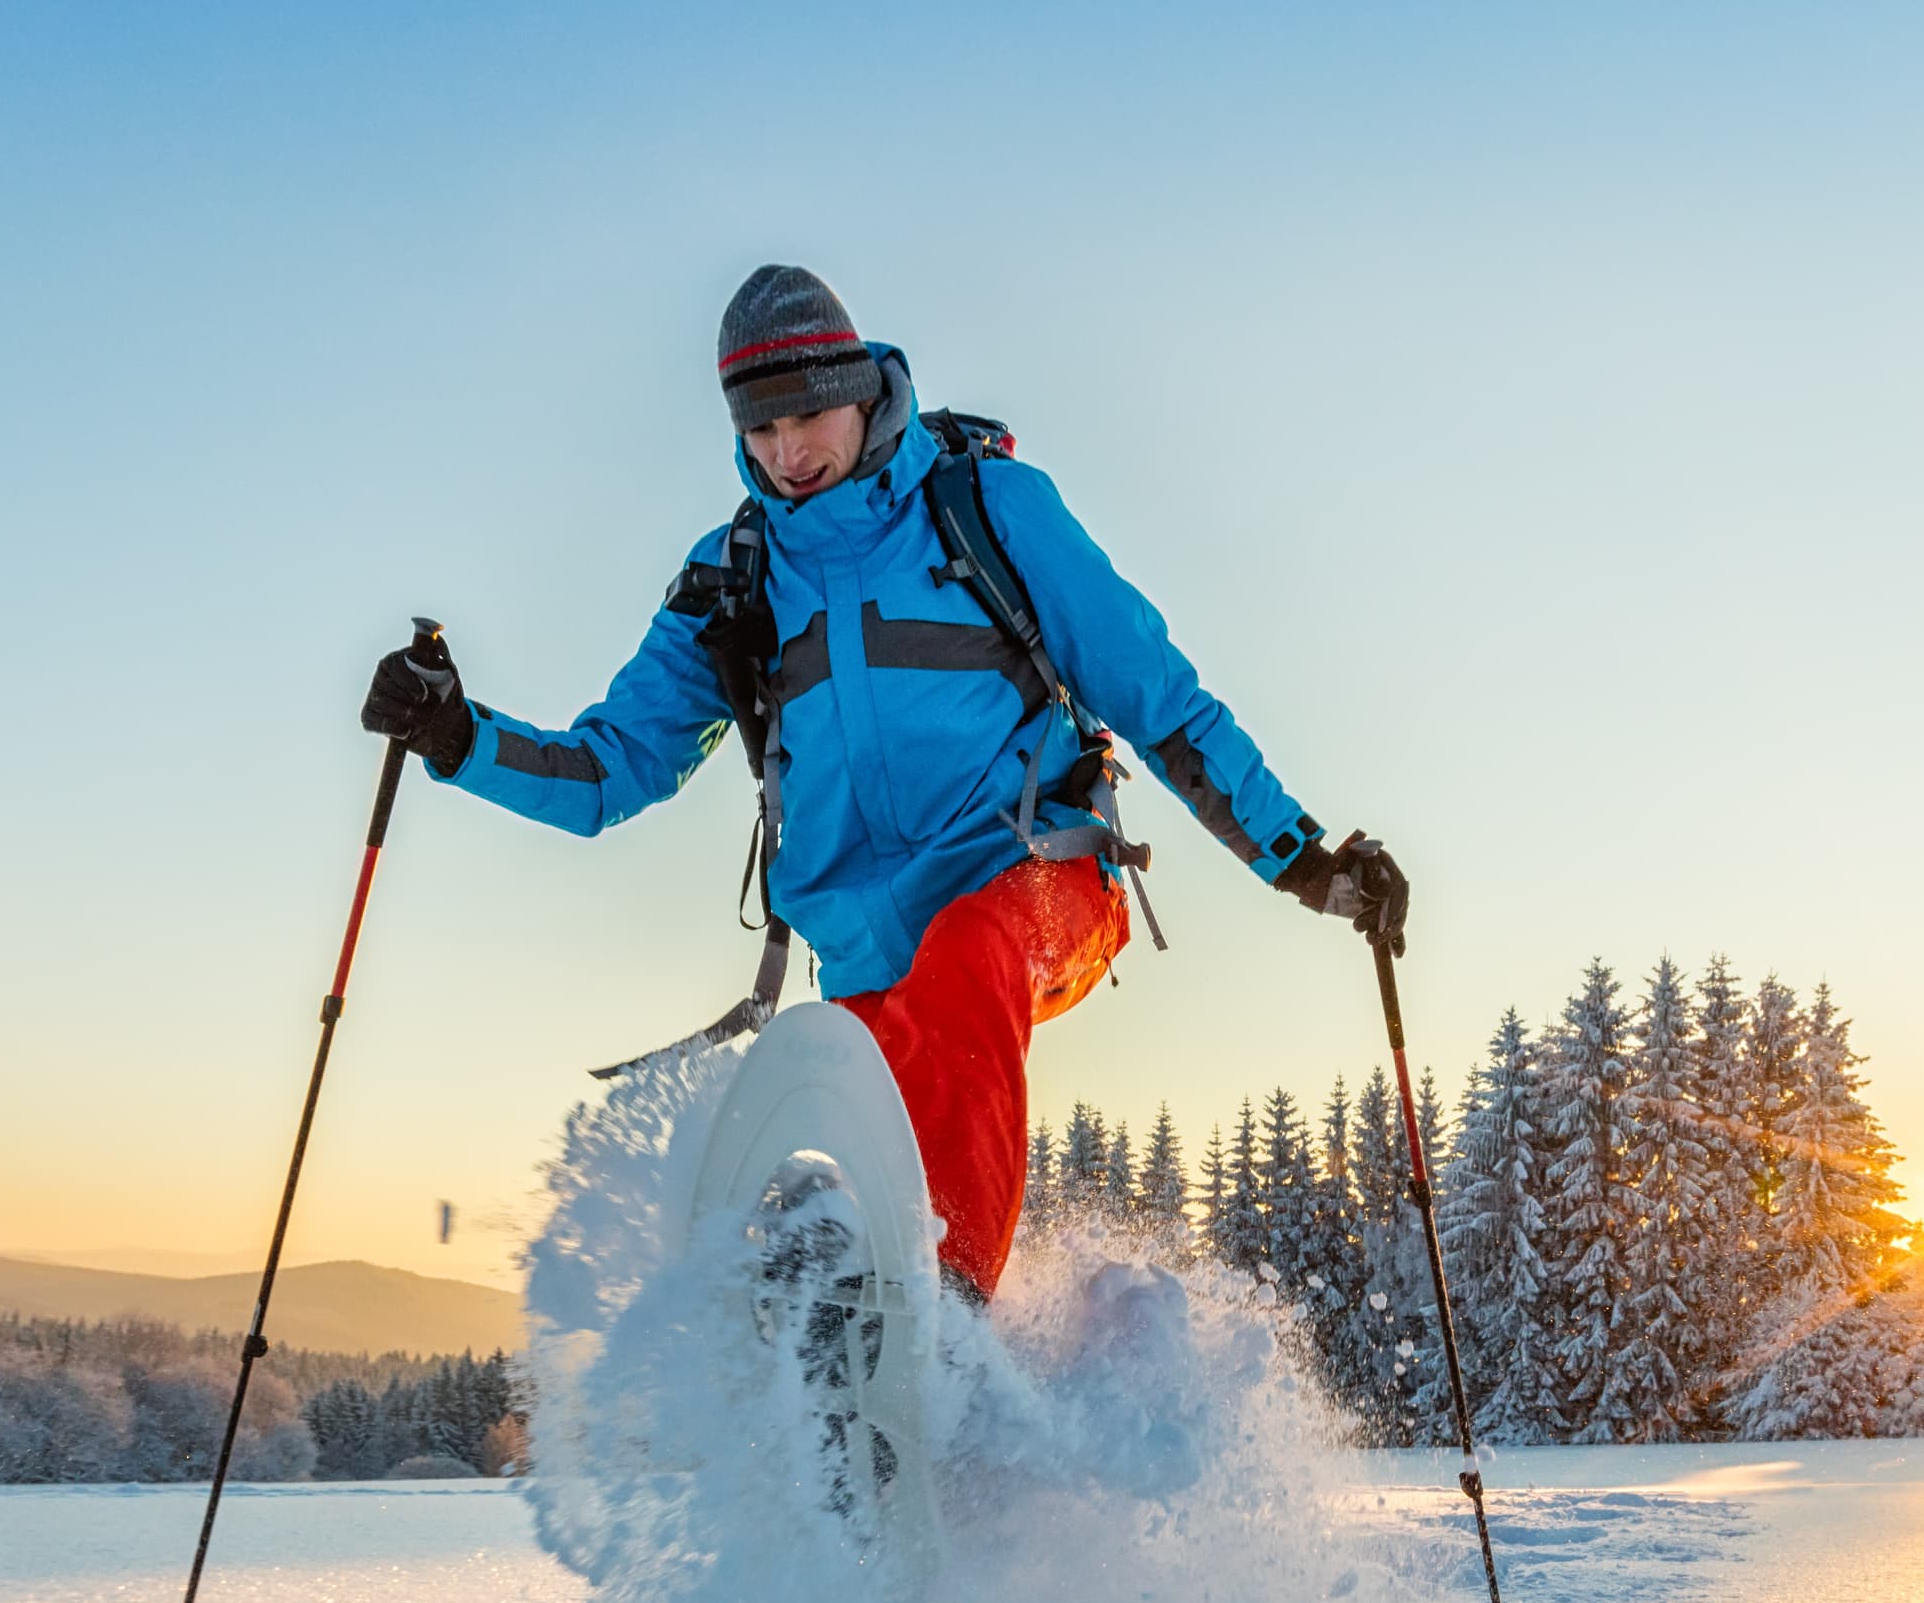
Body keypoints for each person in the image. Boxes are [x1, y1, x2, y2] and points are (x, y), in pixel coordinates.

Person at [362, 264, 1403, 1301]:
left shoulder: (987, 506)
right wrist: (457, 735)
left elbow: (1158, 695)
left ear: (861, 387)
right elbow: (607, 771)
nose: (788, 452)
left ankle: (937, 1317)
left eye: (809, 415)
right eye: (760, 430)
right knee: (837, 1132)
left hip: (1041, 882)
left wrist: (1304, 859)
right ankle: (833, 1379)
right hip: (868, 964)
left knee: (971, 954)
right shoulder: (734, 581)